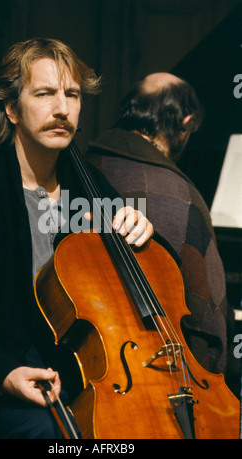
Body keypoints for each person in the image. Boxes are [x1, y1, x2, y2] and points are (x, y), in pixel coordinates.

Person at [0, 38, 153, 439]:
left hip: (87, 366)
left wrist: (141, 233)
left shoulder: (91, 185)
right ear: (11, 109)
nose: (62, 109)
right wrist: (4, 375)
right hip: (12, 369)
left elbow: (143, 288)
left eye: (72, 95)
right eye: (44, 94)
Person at [86, 72, 231, 376]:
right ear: (185, 122)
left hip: (88, 363)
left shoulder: (81, 168)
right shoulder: (181, 194)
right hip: (163, 374)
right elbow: (208, 317)